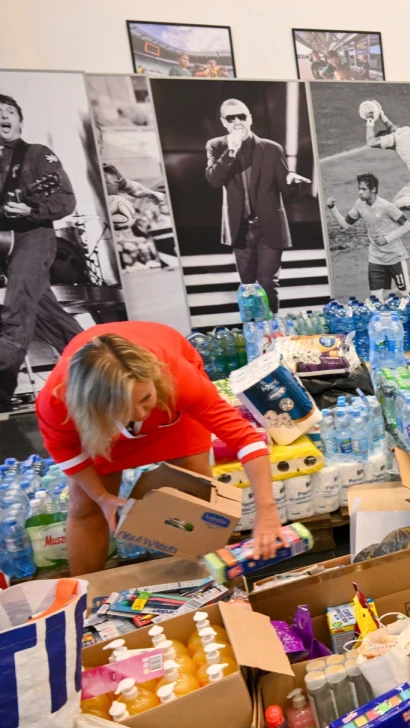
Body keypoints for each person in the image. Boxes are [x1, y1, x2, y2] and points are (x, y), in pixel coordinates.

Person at [35, 321, 283, 575]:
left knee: (195, 492)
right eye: (125, 410)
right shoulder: (57, 399)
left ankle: (209, 582)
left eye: (144, 400)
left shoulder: (177, 376)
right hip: (102, 427)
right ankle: (84, 597)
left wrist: (266, 509)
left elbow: (245, 438)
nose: (140, 415)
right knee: (85, 506)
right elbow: (65, 451)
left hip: (170, 407)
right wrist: (102, 498)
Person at [0, 93, 86, 412]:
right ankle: (99, 365)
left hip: (34, 238)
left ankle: (1, 391)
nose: (2, 117)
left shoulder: (36, 154)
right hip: (5, 244)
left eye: (8, 111)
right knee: (45, 313)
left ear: (20, 120)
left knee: (17, 308)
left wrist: (31, 209)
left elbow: (66, 200)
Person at [205, 98, 311, 314]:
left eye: (241, 117)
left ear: (250, 119)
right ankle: (256, 330)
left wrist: (292, 183)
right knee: (249, 286)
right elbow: (213, 180)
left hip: (268, 226)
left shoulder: (271, 149)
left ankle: (273, 328)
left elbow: (286, 187)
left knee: (267, 282)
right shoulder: (216, 146)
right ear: (224, 122)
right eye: (231, 118)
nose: (237, 122)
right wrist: (231, 153)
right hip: (239, 228)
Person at [327, 173, 410, 299]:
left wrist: (387, 239)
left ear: (373, 189)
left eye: (363, 189)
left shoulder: (386, 206)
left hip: (395, 257)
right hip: (376, 258)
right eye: (359, 189)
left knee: (405, 293)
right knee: (376, 297)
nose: (360, 192)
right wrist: (332, 208)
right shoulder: (359, 205)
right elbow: (345, 224)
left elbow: (407, 225)